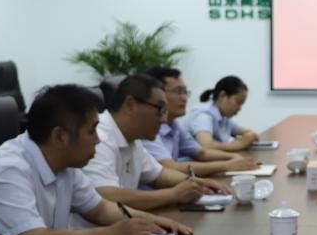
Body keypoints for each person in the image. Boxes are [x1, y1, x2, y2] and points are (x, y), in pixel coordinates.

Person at [0, 84, 190, 235]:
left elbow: (101, 209)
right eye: (92, 131)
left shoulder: (64, 162)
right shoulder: (8, 169)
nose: (98, 140)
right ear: (60, 136)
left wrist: (154, 222)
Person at [82, 74, 230, 210]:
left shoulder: (132, 139)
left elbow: (160, 175)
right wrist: (173, 194)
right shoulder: (99, 135)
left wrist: (196, 182)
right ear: (130, 105)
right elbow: (107, 195)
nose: (164, 119)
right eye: (160, 109)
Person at [143, 66, 258, 176]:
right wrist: (227, 164)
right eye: (178, 91)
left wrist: (234, 158)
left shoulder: (174, 125)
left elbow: (201, 152)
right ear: (158, 94)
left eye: (185, 92)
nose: (184, 98)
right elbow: (171, 167)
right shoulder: (146, 129)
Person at [187, 75, 259, 152]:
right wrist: (239, 144)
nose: (240, 108)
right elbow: (206, 146)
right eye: (238, 102)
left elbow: (248, 132)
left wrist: (249, 136)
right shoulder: (203, 115)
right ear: (223, 95)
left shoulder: (224, 116)